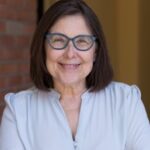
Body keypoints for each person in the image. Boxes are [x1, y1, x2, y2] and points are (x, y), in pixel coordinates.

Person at [0, 0, 150, 149]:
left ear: (95, 52)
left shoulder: (127, 102)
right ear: (43, 48)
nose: (70, 53)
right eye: (58, 40)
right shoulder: (18, 111)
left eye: (82, 41)